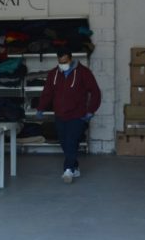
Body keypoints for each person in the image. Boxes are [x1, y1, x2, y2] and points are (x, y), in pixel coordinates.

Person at [36, 48, 102, 183]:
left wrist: (91, 110)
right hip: (60, 114)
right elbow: (47, 92)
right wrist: (41, 108)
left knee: (71, 141)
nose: (62, 64)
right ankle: (75, 166)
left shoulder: (83, 72)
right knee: (64, 142)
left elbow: (95, 91)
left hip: (77, 114)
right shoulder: (53, 74)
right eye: (60, 62)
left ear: (71, 59)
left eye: (65, 61)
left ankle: (68, 170)